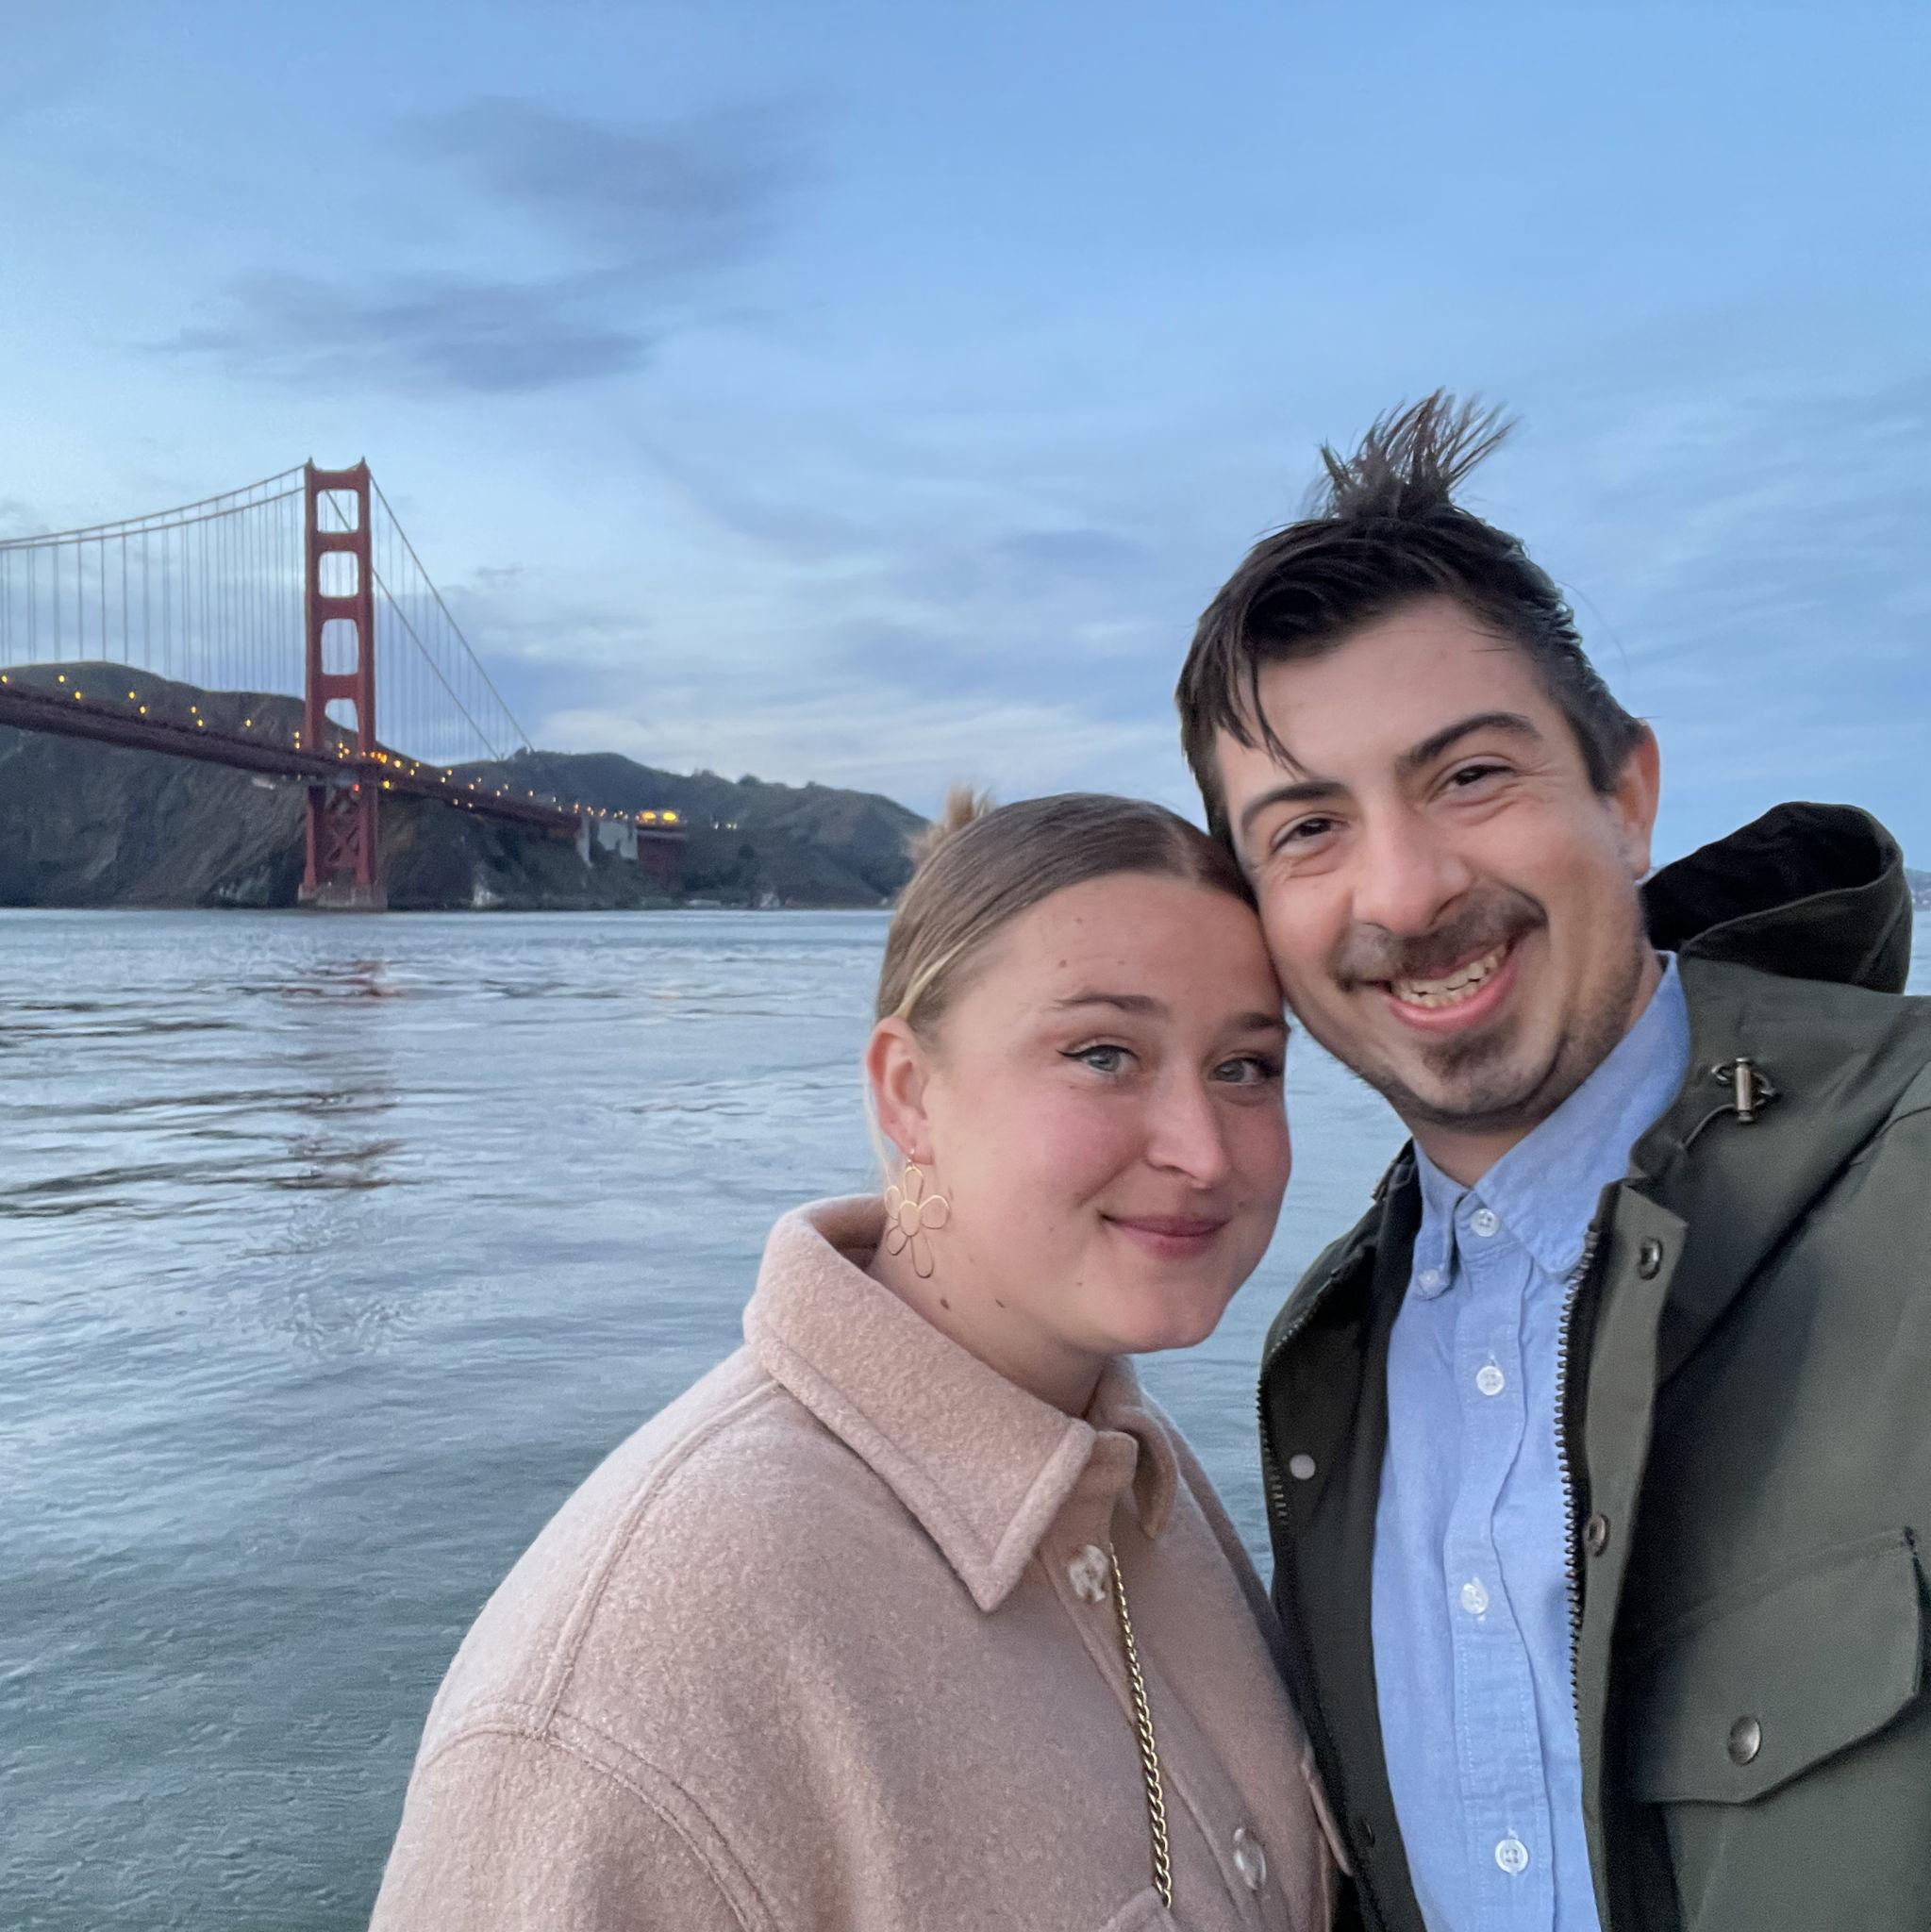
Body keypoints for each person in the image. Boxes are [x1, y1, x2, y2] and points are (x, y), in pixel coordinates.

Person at [1174, 392, 1930, 1932]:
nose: (1407, 888)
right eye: (1307, 829)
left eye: (1469, 777)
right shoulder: (1325, 1372)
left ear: (1628, 792)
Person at [369, 791, 1343, 1931]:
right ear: (908, 1092)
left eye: (1246, 1067)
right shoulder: (633, 1683)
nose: (1201, 1147)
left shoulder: (1136, 1482)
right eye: (1102, 1053)